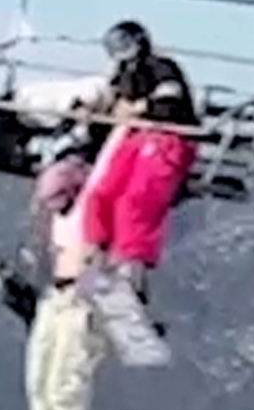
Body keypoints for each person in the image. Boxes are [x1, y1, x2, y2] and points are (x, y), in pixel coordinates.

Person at [80, 20, 200, 307]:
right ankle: (96, 256)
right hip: (134, 138)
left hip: (168, 138)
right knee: (101, 193)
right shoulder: (122, 75)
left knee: (135, 199)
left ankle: (131, 273)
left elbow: (171, 104)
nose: (123, 55)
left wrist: (140, 108)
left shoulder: (162, 68)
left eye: (126, 46)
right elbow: (113, 106)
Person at [21, 153, 114, 410]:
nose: (53, 208)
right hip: (57, 296)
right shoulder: (59, 211)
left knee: (66, 386)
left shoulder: (93, 207)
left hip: (83, 301)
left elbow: (105, 169)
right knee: (39, 372)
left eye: (58, 200)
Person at [0, 75, 115, 249]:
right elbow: (88, 97)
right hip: (16, 117)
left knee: (61, 166)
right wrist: (82, 112)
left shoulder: (97, 116)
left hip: (43, 126)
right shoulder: (95, 91)